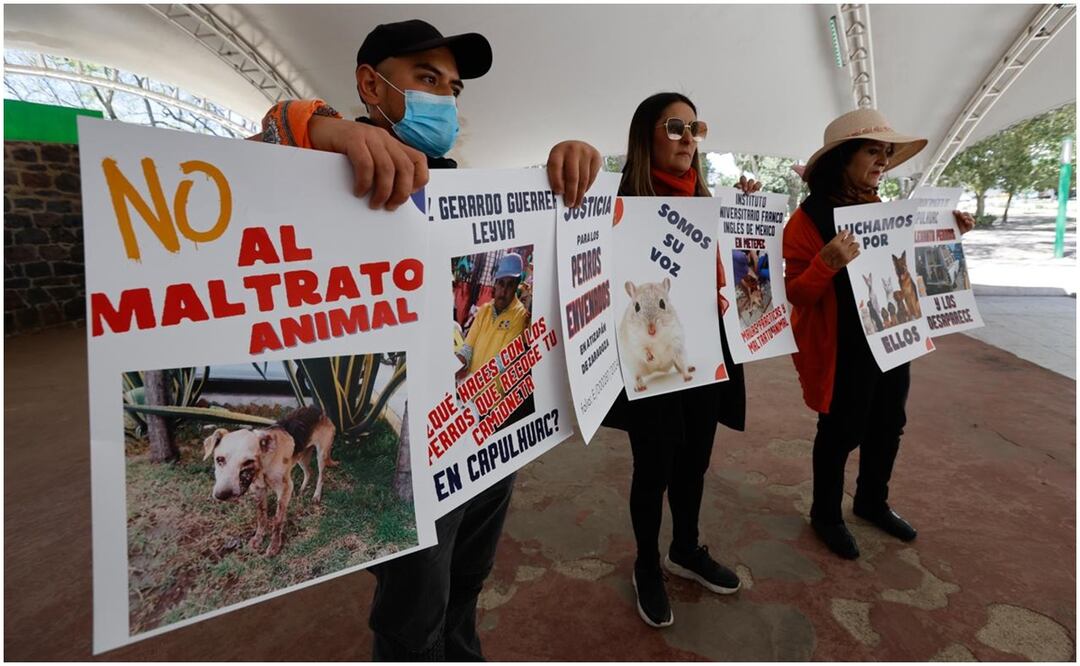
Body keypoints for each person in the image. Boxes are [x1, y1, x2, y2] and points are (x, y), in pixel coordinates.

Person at [254, 19, 601, 659]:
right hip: (415, 450)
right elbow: (263, 137)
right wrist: (328, 127)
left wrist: (572, 160)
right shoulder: (325, 169)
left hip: (491, 439)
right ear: (371, 84)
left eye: (454, 87)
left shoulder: (457, 182)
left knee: (468, 578)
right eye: (426, 79)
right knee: (414, 610)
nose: (444, 98)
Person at [782, 108, 975, 560]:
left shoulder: (885, 211)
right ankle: (825, 514)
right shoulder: (807, 220)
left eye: (887, 153)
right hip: (843, 346)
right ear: (843, 158)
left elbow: (913, 271)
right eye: (874, 151)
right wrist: (825, 263)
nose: (883, 161)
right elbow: (796, 293)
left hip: (893, 336)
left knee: (889, 424)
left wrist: (947, 237)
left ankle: (872, 501)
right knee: (840, 430)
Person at [603, 92, 759, 628]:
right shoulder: (618, 205)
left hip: (705, 356)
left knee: (694, 461)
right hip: (651, 363)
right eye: (675, 127)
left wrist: (746, 218)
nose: (690, 139)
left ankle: (685, 549)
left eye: (696, 128)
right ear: (644, 136)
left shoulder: (712, 203)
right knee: (654, 469)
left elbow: (736, 275)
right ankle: (647, 562)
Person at [455, 253, 529, 380]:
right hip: (470, 388)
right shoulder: (484, 310)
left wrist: (473, 381)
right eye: (501, 283)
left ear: (516, 286)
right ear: (495, 284)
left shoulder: (520, 316)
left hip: (493, 395)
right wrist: (457, 364)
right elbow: (467, 348)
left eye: (510, 285)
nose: (504, 291)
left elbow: (504, 361)